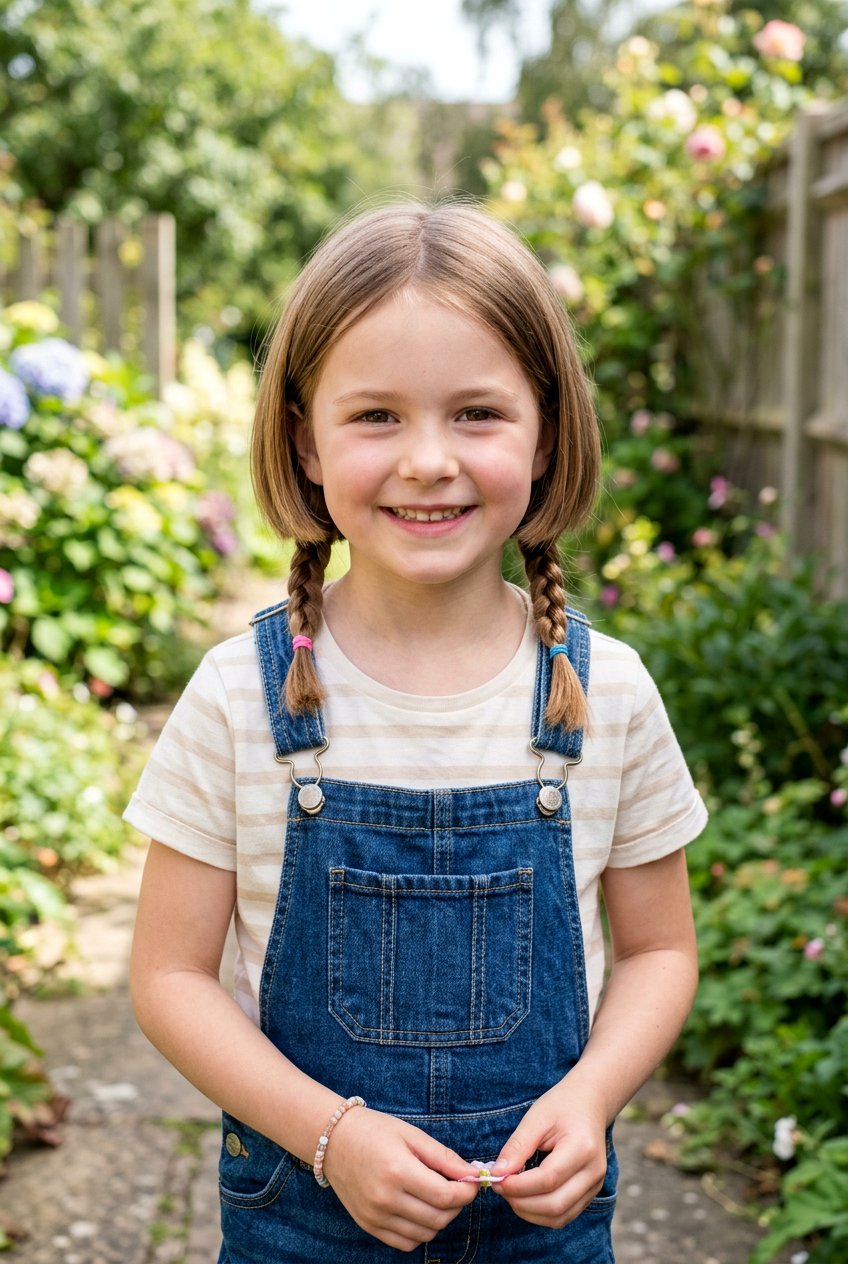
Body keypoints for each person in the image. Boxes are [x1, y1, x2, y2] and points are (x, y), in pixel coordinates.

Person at [128, 201, 706, 1263]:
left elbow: (661, 949)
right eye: (376, 416)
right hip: (301, 1213)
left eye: (477, 413)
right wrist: (331, 1134)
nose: (428, 459)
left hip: (541, 1225)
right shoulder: (236, 698)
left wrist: (590, 1099)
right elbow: (169, 977)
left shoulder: (606, 692)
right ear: (305, 440)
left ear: (544, 430)